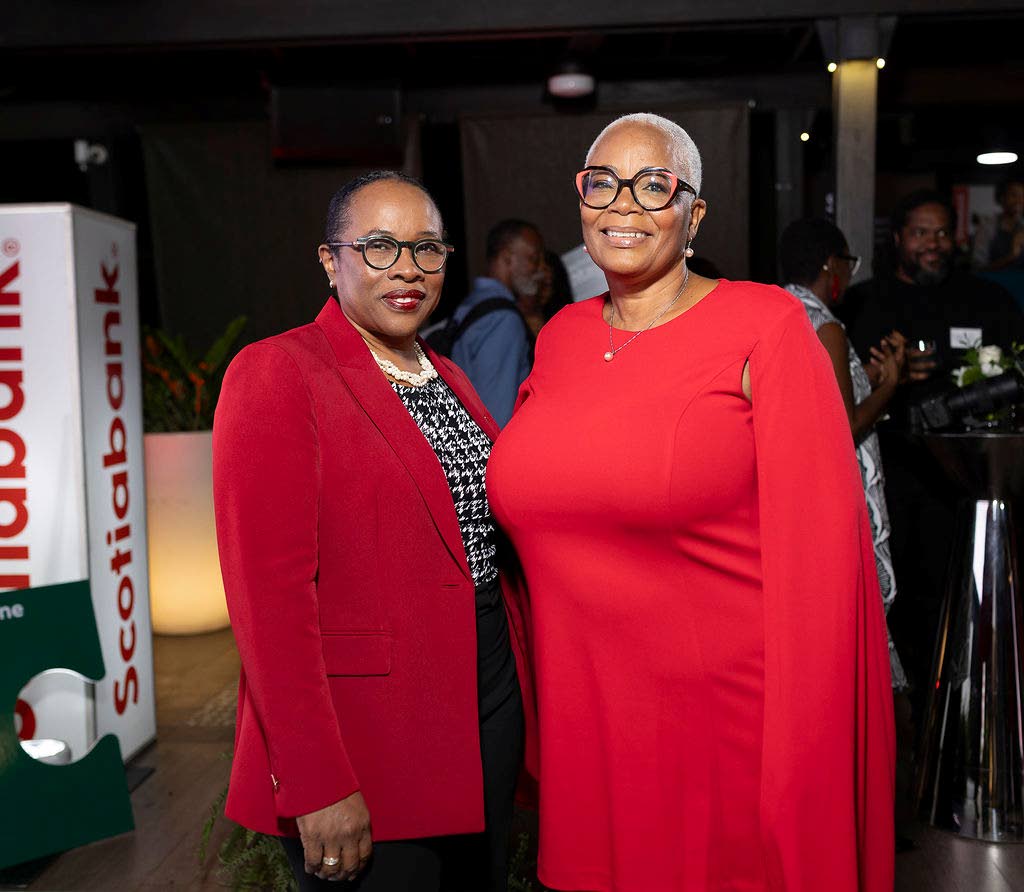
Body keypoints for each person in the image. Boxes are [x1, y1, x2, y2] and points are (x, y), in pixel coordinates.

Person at [487, 113, 895, 891]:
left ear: (694, 212)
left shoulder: (765, 328)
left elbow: (821, 559)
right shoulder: (562, 336)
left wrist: (803, 763)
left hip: (725, 738)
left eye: (654, 185)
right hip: (589, 733)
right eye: (601, 183)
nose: (623, 206)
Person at [212, 170, 533, 891]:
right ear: (331, 261)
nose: (408, 269)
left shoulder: (447, 372)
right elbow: (270, 602)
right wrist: (316, 781)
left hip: (485, 705)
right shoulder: (279, 372)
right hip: (372, 734)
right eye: (379, 246)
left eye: (427, 249)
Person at [780, 218, 909, 693]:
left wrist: (866, 386)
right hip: (834, 492)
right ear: (828, 265)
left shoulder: (777, 312)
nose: (850, 275)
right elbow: (843, 426)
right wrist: (890, 387)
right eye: (847, 264)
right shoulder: (825, 324)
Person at [842, 189, 1024, 377]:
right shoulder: (860, 303)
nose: (933, 244)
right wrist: (888, 376)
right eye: (920, 233)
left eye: (942, 233)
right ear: (897, 238)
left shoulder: (989, 299)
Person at [450, 220, 543, 426]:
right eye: (533, 258)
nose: (539, 270)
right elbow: (496, 415)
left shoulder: (473, 304)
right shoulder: (503, 319)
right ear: (507, 258)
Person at [972, 178, 1024, 271]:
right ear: (1002, 198)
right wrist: (1011, 256)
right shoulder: (988, 227)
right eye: (1014, 195)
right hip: (994, 282)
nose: (1019, 201)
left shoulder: (1022, 225)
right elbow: (978, 267)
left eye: (1022, 196)